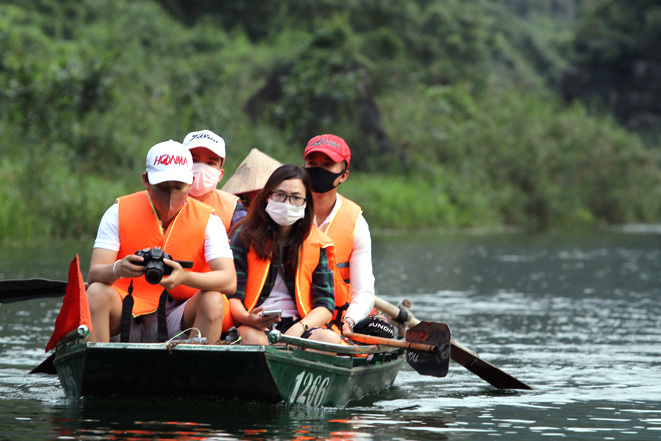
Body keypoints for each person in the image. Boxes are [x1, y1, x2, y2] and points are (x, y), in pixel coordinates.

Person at [86, 140, 237, 343]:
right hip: (126, 308)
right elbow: (94, 274)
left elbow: (229, 281)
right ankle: (99, 368)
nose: (171, 196)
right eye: (162, 187)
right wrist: (118, 268)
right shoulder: (117, 212)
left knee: (213, 300)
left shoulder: (209, 220)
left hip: (177, 315)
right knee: (95, 292)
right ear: (146, 180)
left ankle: (196, 369)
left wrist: (184, 277)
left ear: (190, 182)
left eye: (178, 187)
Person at [227, 164, 344, 345]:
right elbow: (233, 295)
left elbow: (325, 306)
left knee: (330, 339)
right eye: (280, 195)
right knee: (249, 337)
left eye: (296, 197)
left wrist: (299, 329)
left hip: (299, 324)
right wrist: (248, 319)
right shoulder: (243, 235)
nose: (286, 204)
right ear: (267, 197)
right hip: (253, 323)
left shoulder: (317, 242)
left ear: (306, 203)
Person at [303, 134, 394, 339]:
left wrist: (349, 321)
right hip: (294, 316)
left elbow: (363, 293)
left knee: (382, 330)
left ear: (343, 175)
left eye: (327, 164)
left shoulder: (356, 223)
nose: (318, 169)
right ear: (303, 168)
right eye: (312, 163)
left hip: (339, 321)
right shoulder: (288, 211)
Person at [182, 129, 247, 231]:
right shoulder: (159, 199)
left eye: (211, 163)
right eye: (194, 160)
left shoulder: (233, 210)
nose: (201, 169)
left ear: (220, 175)